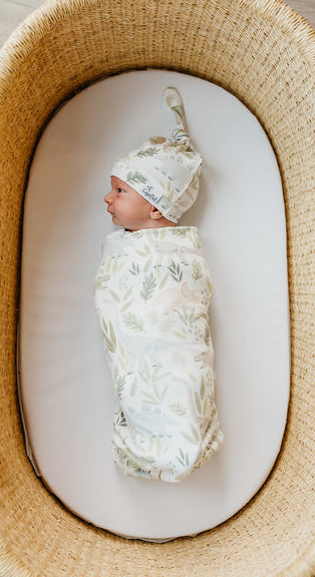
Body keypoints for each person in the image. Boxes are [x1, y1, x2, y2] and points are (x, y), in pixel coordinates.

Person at [94, 87, 223, 482]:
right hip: (137, 351)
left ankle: (184, 433)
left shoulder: (177, 254)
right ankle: (148, 436)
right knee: (138, 380)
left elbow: (182, 309)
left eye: (120, 191)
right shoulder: (125, 246)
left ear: (154, 206)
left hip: (174, 345)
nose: (107, 198)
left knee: (181, 377)